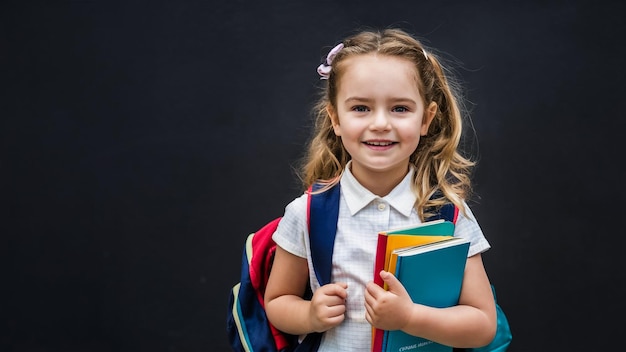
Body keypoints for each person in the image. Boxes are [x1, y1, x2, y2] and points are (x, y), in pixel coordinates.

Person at [264, 28, 497, 351]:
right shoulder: (307, 211)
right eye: (361, 108)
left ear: (426, 119)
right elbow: (277, 301)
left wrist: (410, 317)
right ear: (335, 117)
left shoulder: (449, 215)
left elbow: (483, 325)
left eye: (400, 108)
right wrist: (309, 314)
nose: (380, 123)